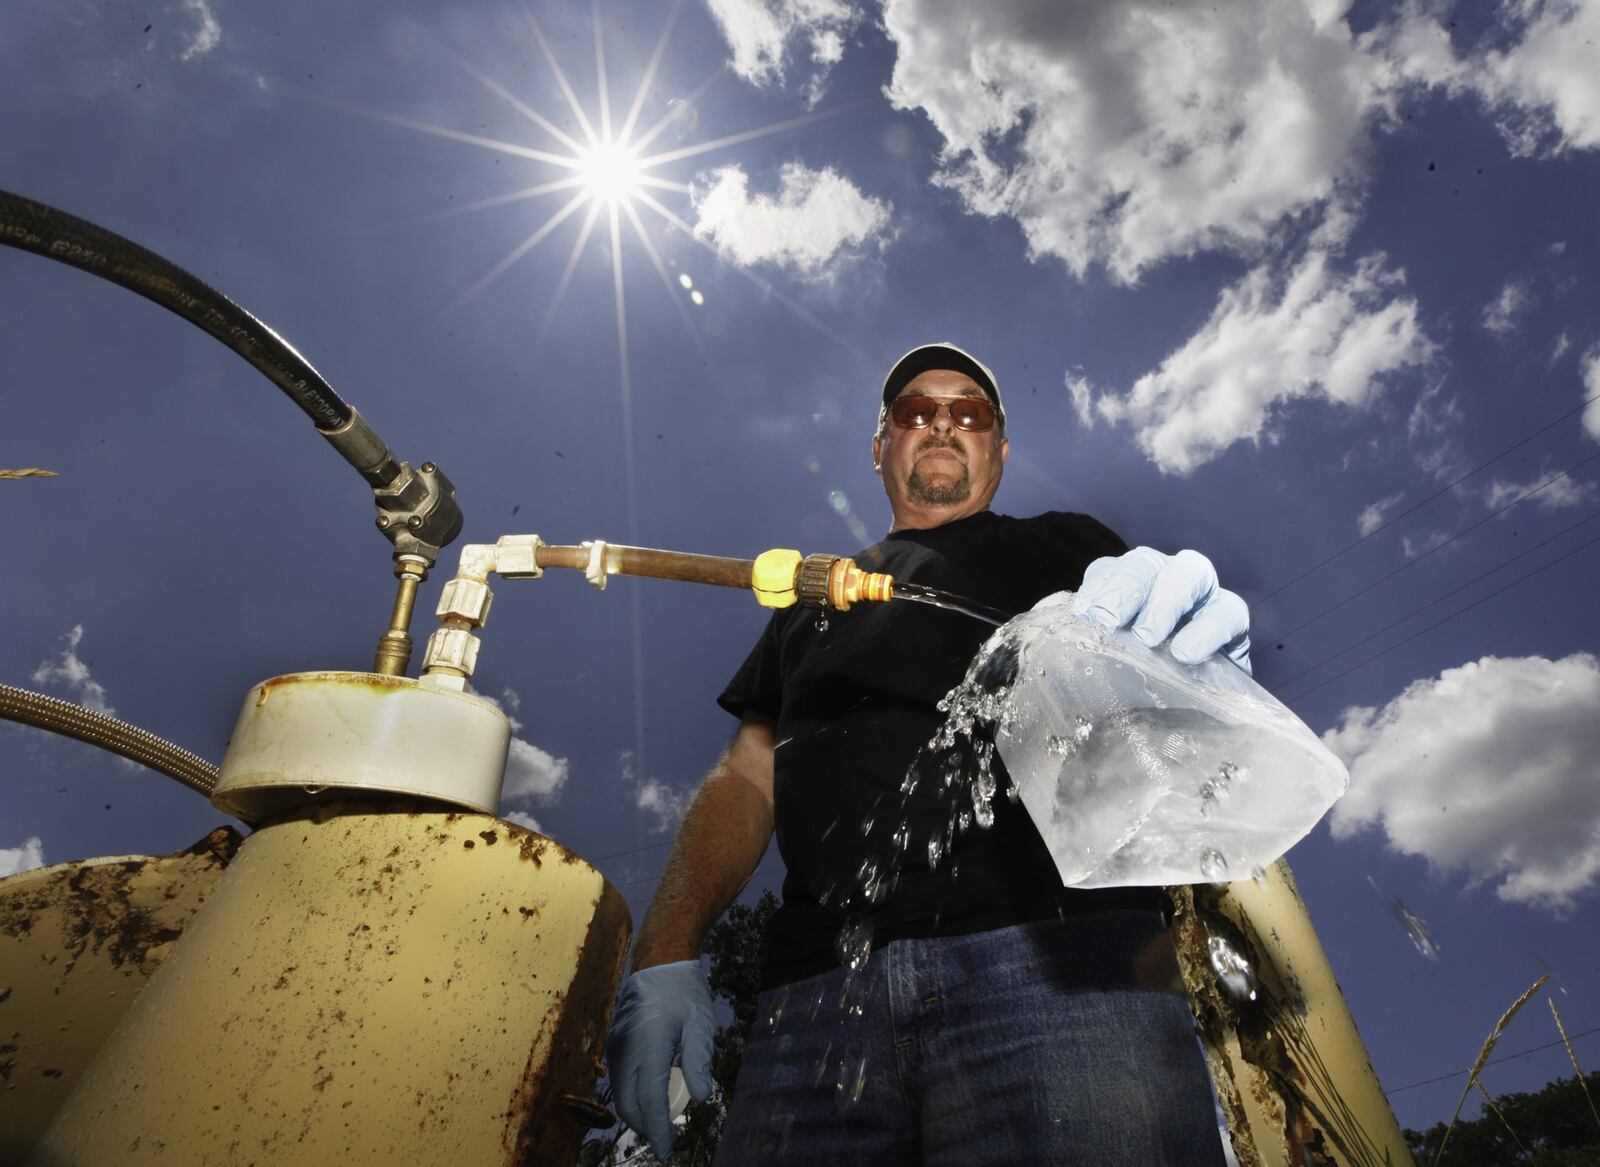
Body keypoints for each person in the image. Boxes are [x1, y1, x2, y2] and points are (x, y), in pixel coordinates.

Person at [607, 343, 1250, 1164]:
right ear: (881, 447)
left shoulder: (1064, 547)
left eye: (970, 411)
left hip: (1067, 972)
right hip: (811, 1002)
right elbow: (747, 773)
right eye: (915, 411)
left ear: (998, 450)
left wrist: (1191, 661)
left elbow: (1152, 695)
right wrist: (664, 950)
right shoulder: (810, 601)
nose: (943, 421)